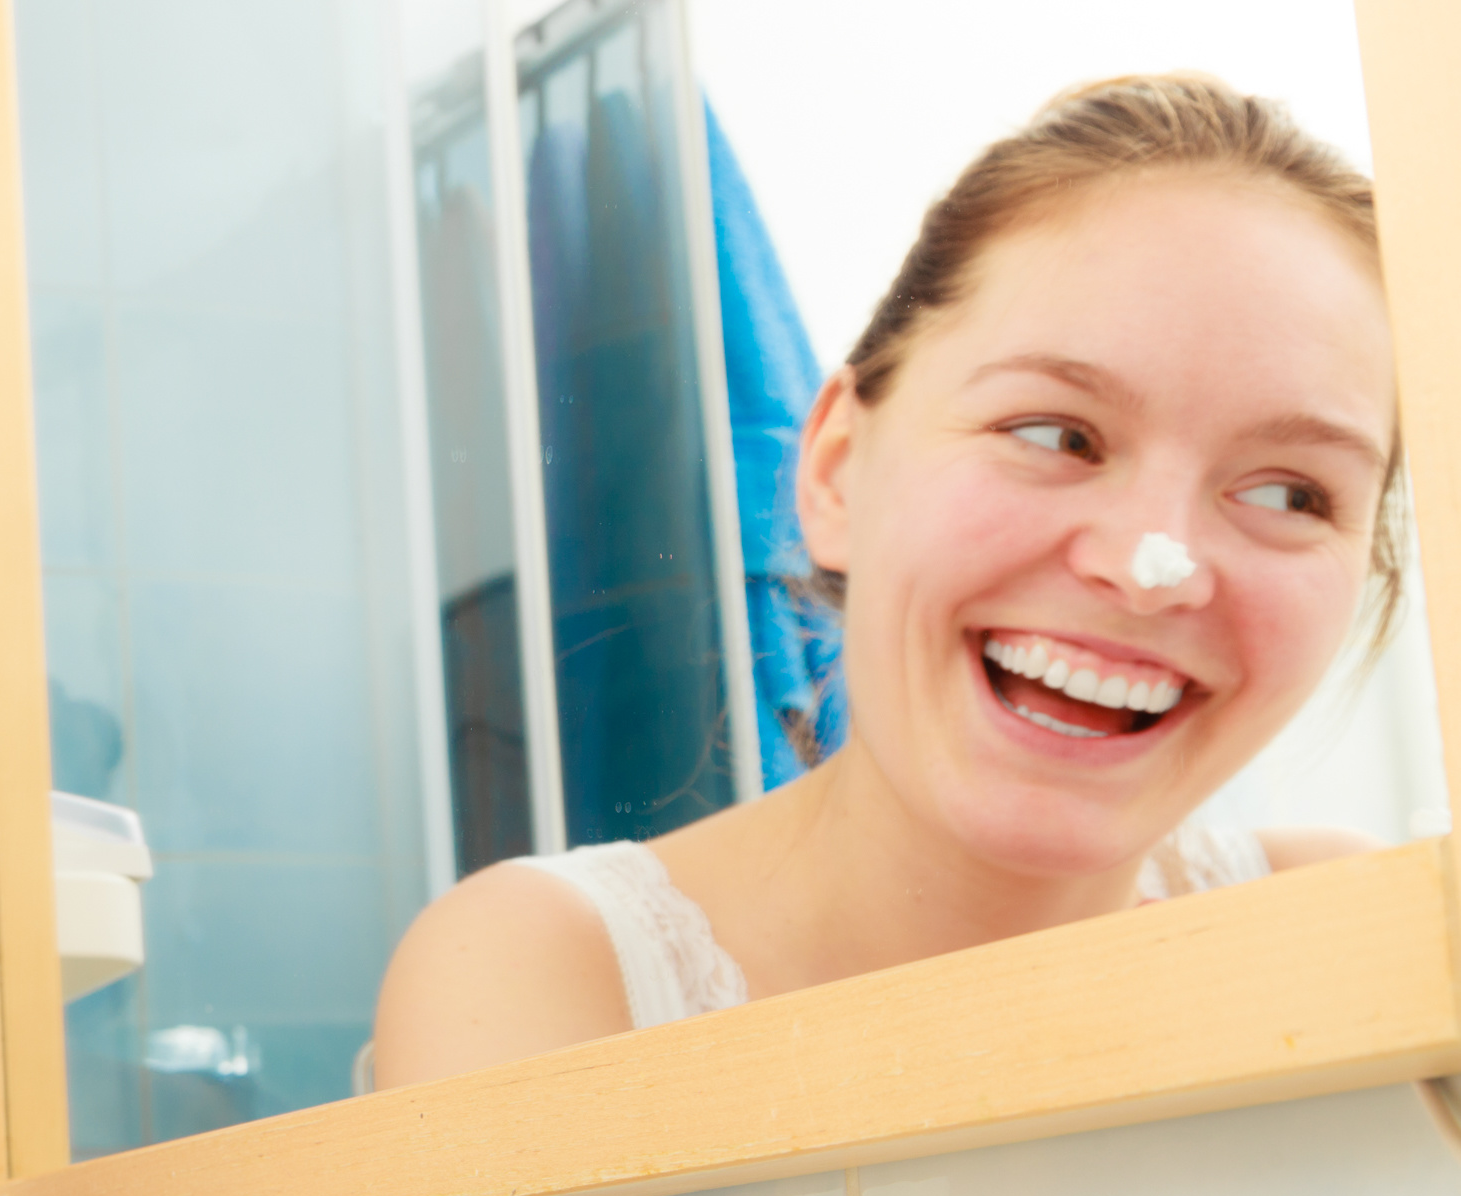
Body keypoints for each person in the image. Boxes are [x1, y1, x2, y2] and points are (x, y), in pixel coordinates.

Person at [376, 75, 1400, 1084]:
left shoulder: (1339, 925)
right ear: (833, 470)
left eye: (1287, 495)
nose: (1148, 570)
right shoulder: (540, 974)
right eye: (1053, 433)